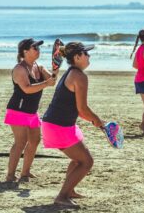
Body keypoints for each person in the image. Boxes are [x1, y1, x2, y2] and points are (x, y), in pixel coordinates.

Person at [42, 42, 103, 208]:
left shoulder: (71, 72)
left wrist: (95, 121)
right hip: (58, 126)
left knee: (78, 160)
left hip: (56, 123)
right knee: (86, 162)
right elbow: (82, 108)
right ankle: (62, 196)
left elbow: (80, 111)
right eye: (86, 53)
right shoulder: (79, 76)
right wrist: (97, 119)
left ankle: (70, 191)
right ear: (77, 57)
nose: (89, 56)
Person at [4, 38, 57, 182]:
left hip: (32, 111)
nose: (38, 50)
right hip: (18, 110)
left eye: (38, 48)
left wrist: (55, 69)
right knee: (20, 142)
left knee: (34, 141)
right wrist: (46, 83)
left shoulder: (38, 66)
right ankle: (10, 175)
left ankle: (25, 172)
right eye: (35, 48)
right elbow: (27, 89)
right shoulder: (19, 69)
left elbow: (52, 82)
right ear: (25, 52)